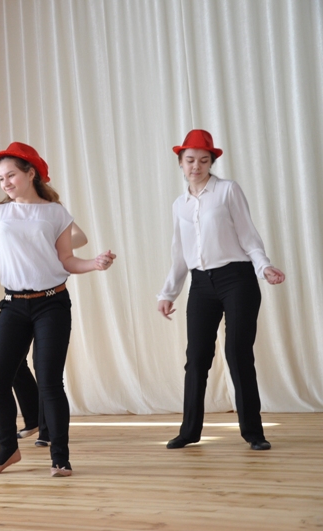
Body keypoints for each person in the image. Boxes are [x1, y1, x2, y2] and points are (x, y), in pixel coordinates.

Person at [0, 141, 115, 478]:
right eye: (1, 178)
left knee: (49, 382)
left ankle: (60, 457)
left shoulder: (56, 213)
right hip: (14, 306)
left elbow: (67, 260)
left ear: (31, 174)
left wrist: (94, 263)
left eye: (11, 175)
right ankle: (7, 450)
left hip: (52, 304)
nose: (5, 183)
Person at [157, 129, 285, 451]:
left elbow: (248, 235)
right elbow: (179, 253)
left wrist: (264, 267)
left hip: (237, 279)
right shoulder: (179, 205)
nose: (196, 166)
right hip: (201, 284)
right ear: (180, 163)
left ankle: (254, 432)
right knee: (196, 357)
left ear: (211, 162)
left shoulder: (228, 190)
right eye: (190, 160)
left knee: (237, 353)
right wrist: (168, 293)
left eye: (203, 160)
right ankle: (189, 432)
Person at [0, 223, 89, 447]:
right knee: (11, 366)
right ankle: (33, 419)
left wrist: (48, 245)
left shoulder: (51, 210)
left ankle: (47, 431)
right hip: (17, 302)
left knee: (44, 369)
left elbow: (81, 238)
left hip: (49, 300)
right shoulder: (7, 213)